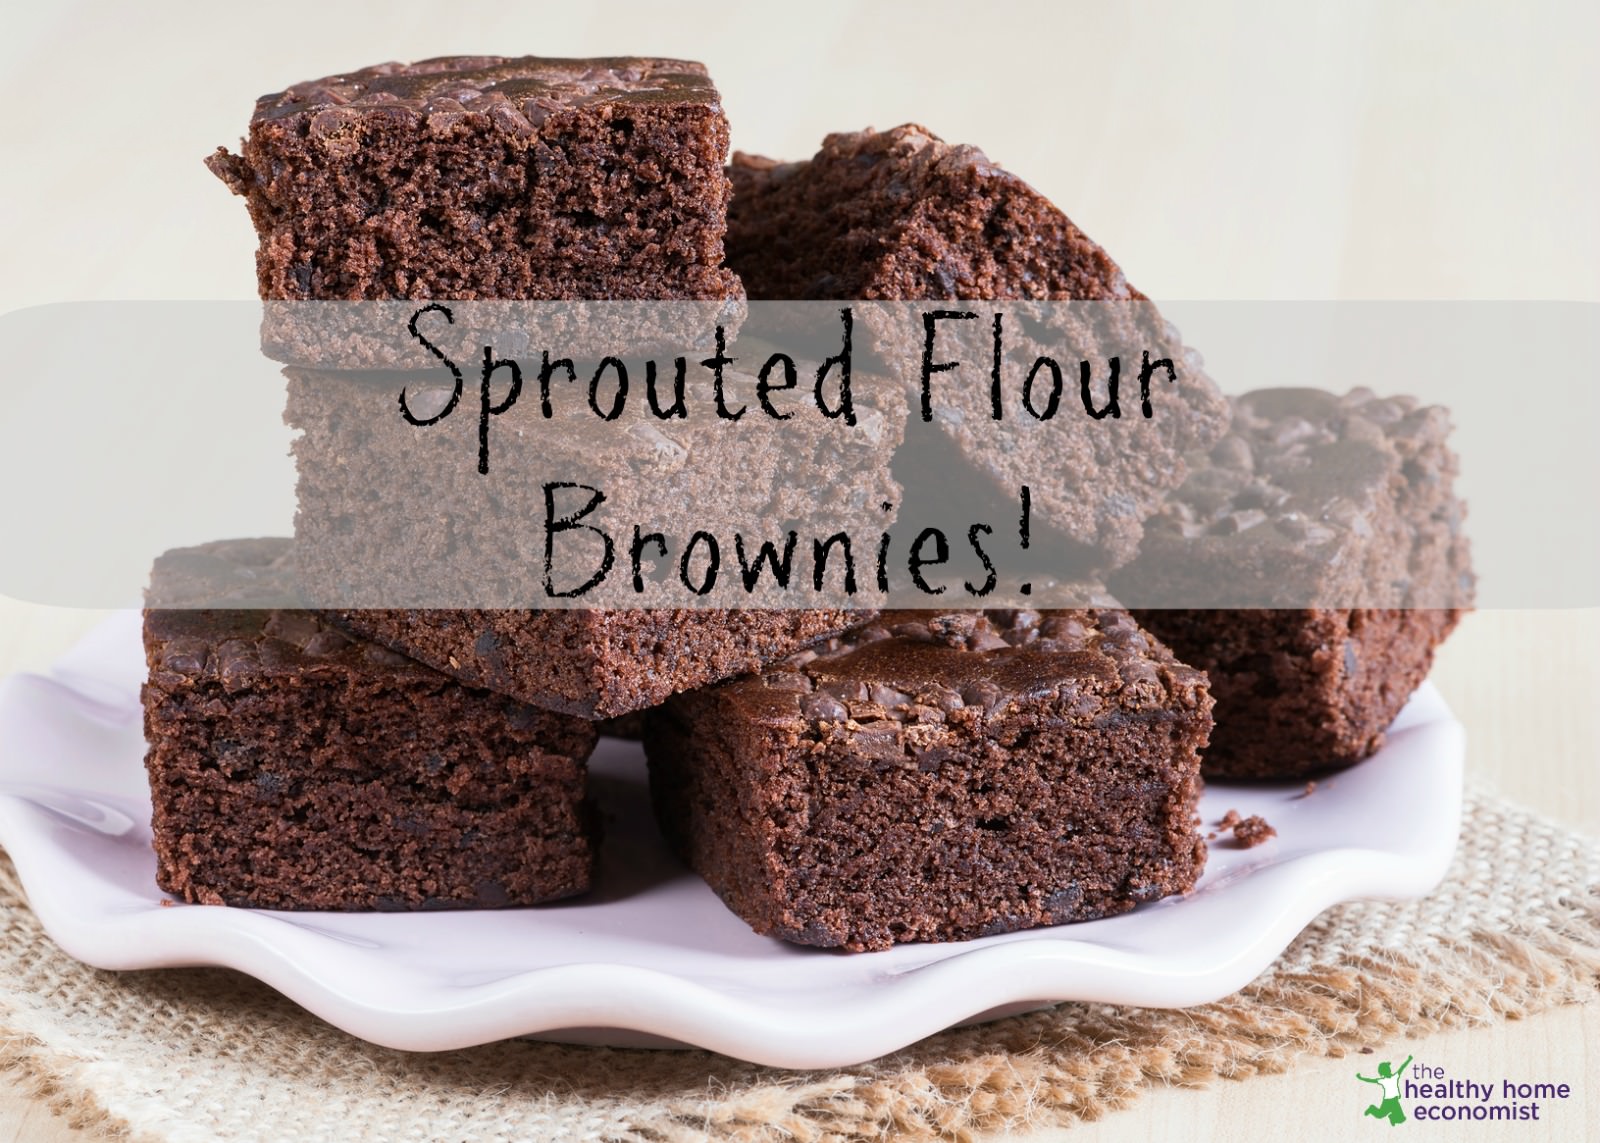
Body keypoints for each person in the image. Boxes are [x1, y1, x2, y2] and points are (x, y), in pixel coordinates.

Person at [1357, 1055, 1414, 1125]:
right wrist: (1360, 1078)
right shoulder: (1383, 1081)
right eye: (1387, 1069)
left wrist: (1408, 1060)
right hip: (1387, 1101)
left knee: (1401, 1118)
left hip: (1394, 1100)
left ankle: (1392, 1117)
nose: (1389, 1070)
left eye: (1389, 1069)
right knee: (1380, 1115)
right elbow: (1371, 1080)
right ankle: (1372, 1109)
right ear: (1383, 1072)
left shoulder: (1394, 1077)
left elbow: (1402, 1068)